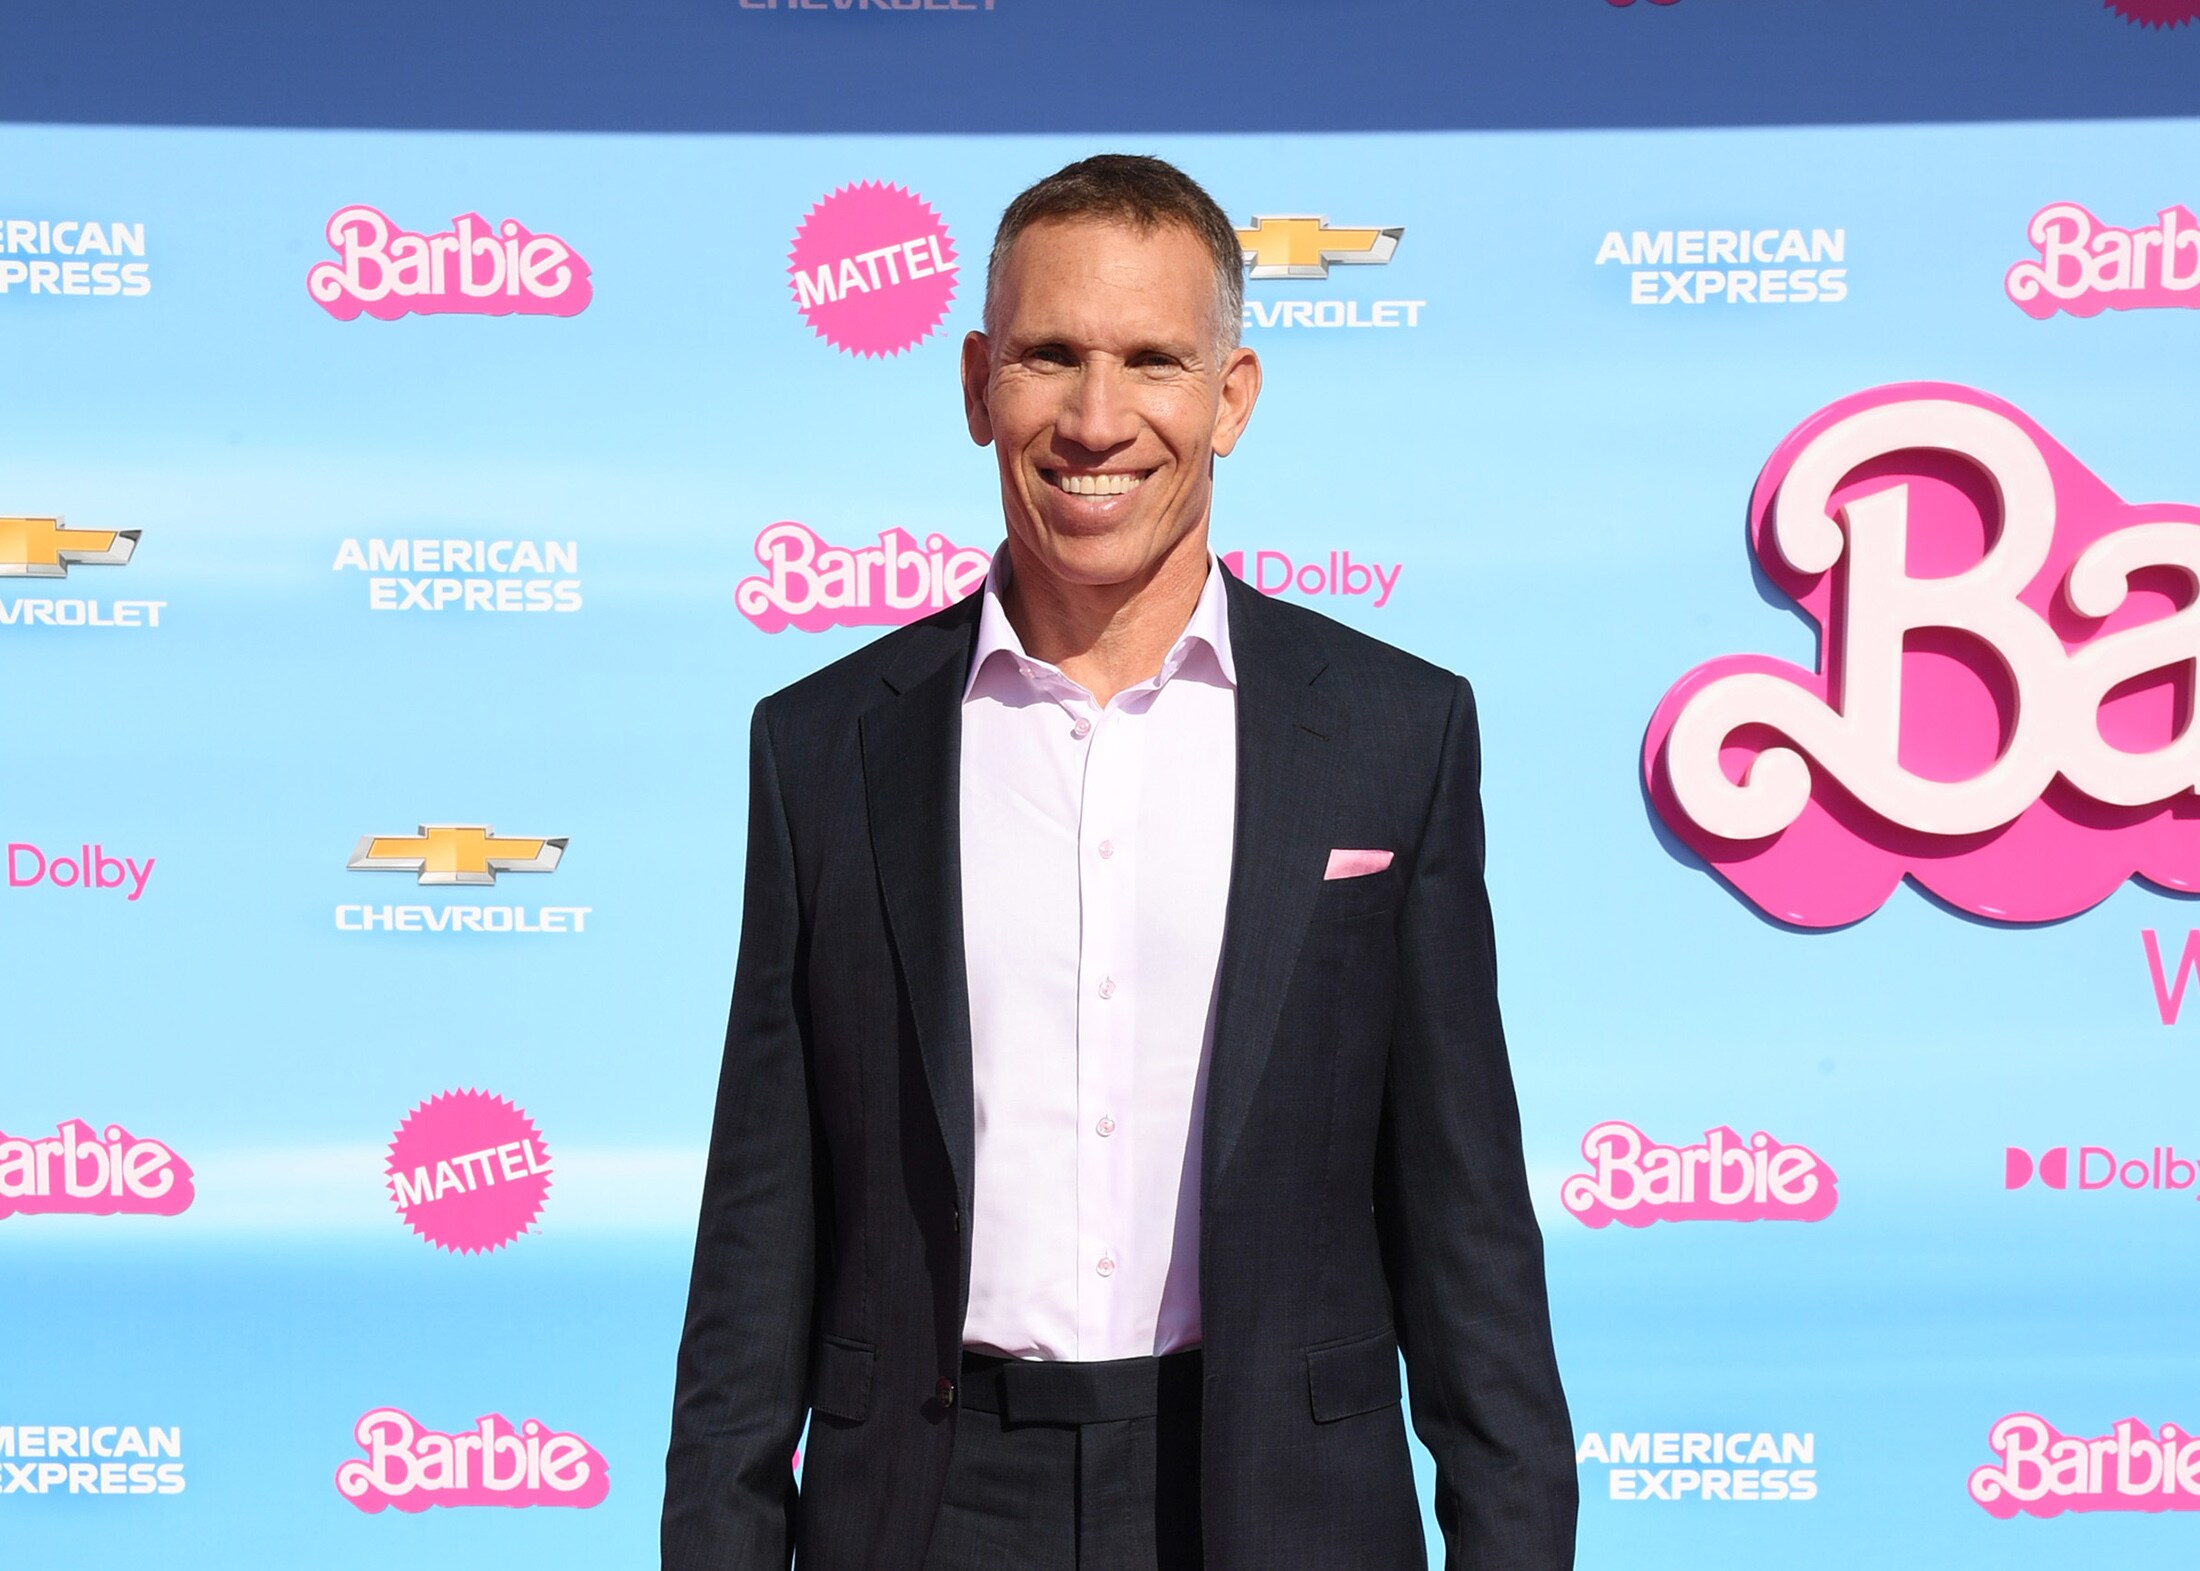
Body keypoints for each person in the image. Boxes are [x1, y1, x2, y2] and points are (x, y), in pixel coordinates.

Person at [663, 153, 1575, 1571]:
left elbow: (1469, 1228)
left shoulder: (1395, 735)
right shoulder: (825, 748)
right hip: (925, 1505)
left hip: (1280, 1502)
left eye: (1153, 359)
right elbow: (759, 1233)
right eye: (1049, 356)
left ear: (1231, 397)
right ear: (977, 385)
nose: (1099, 419)